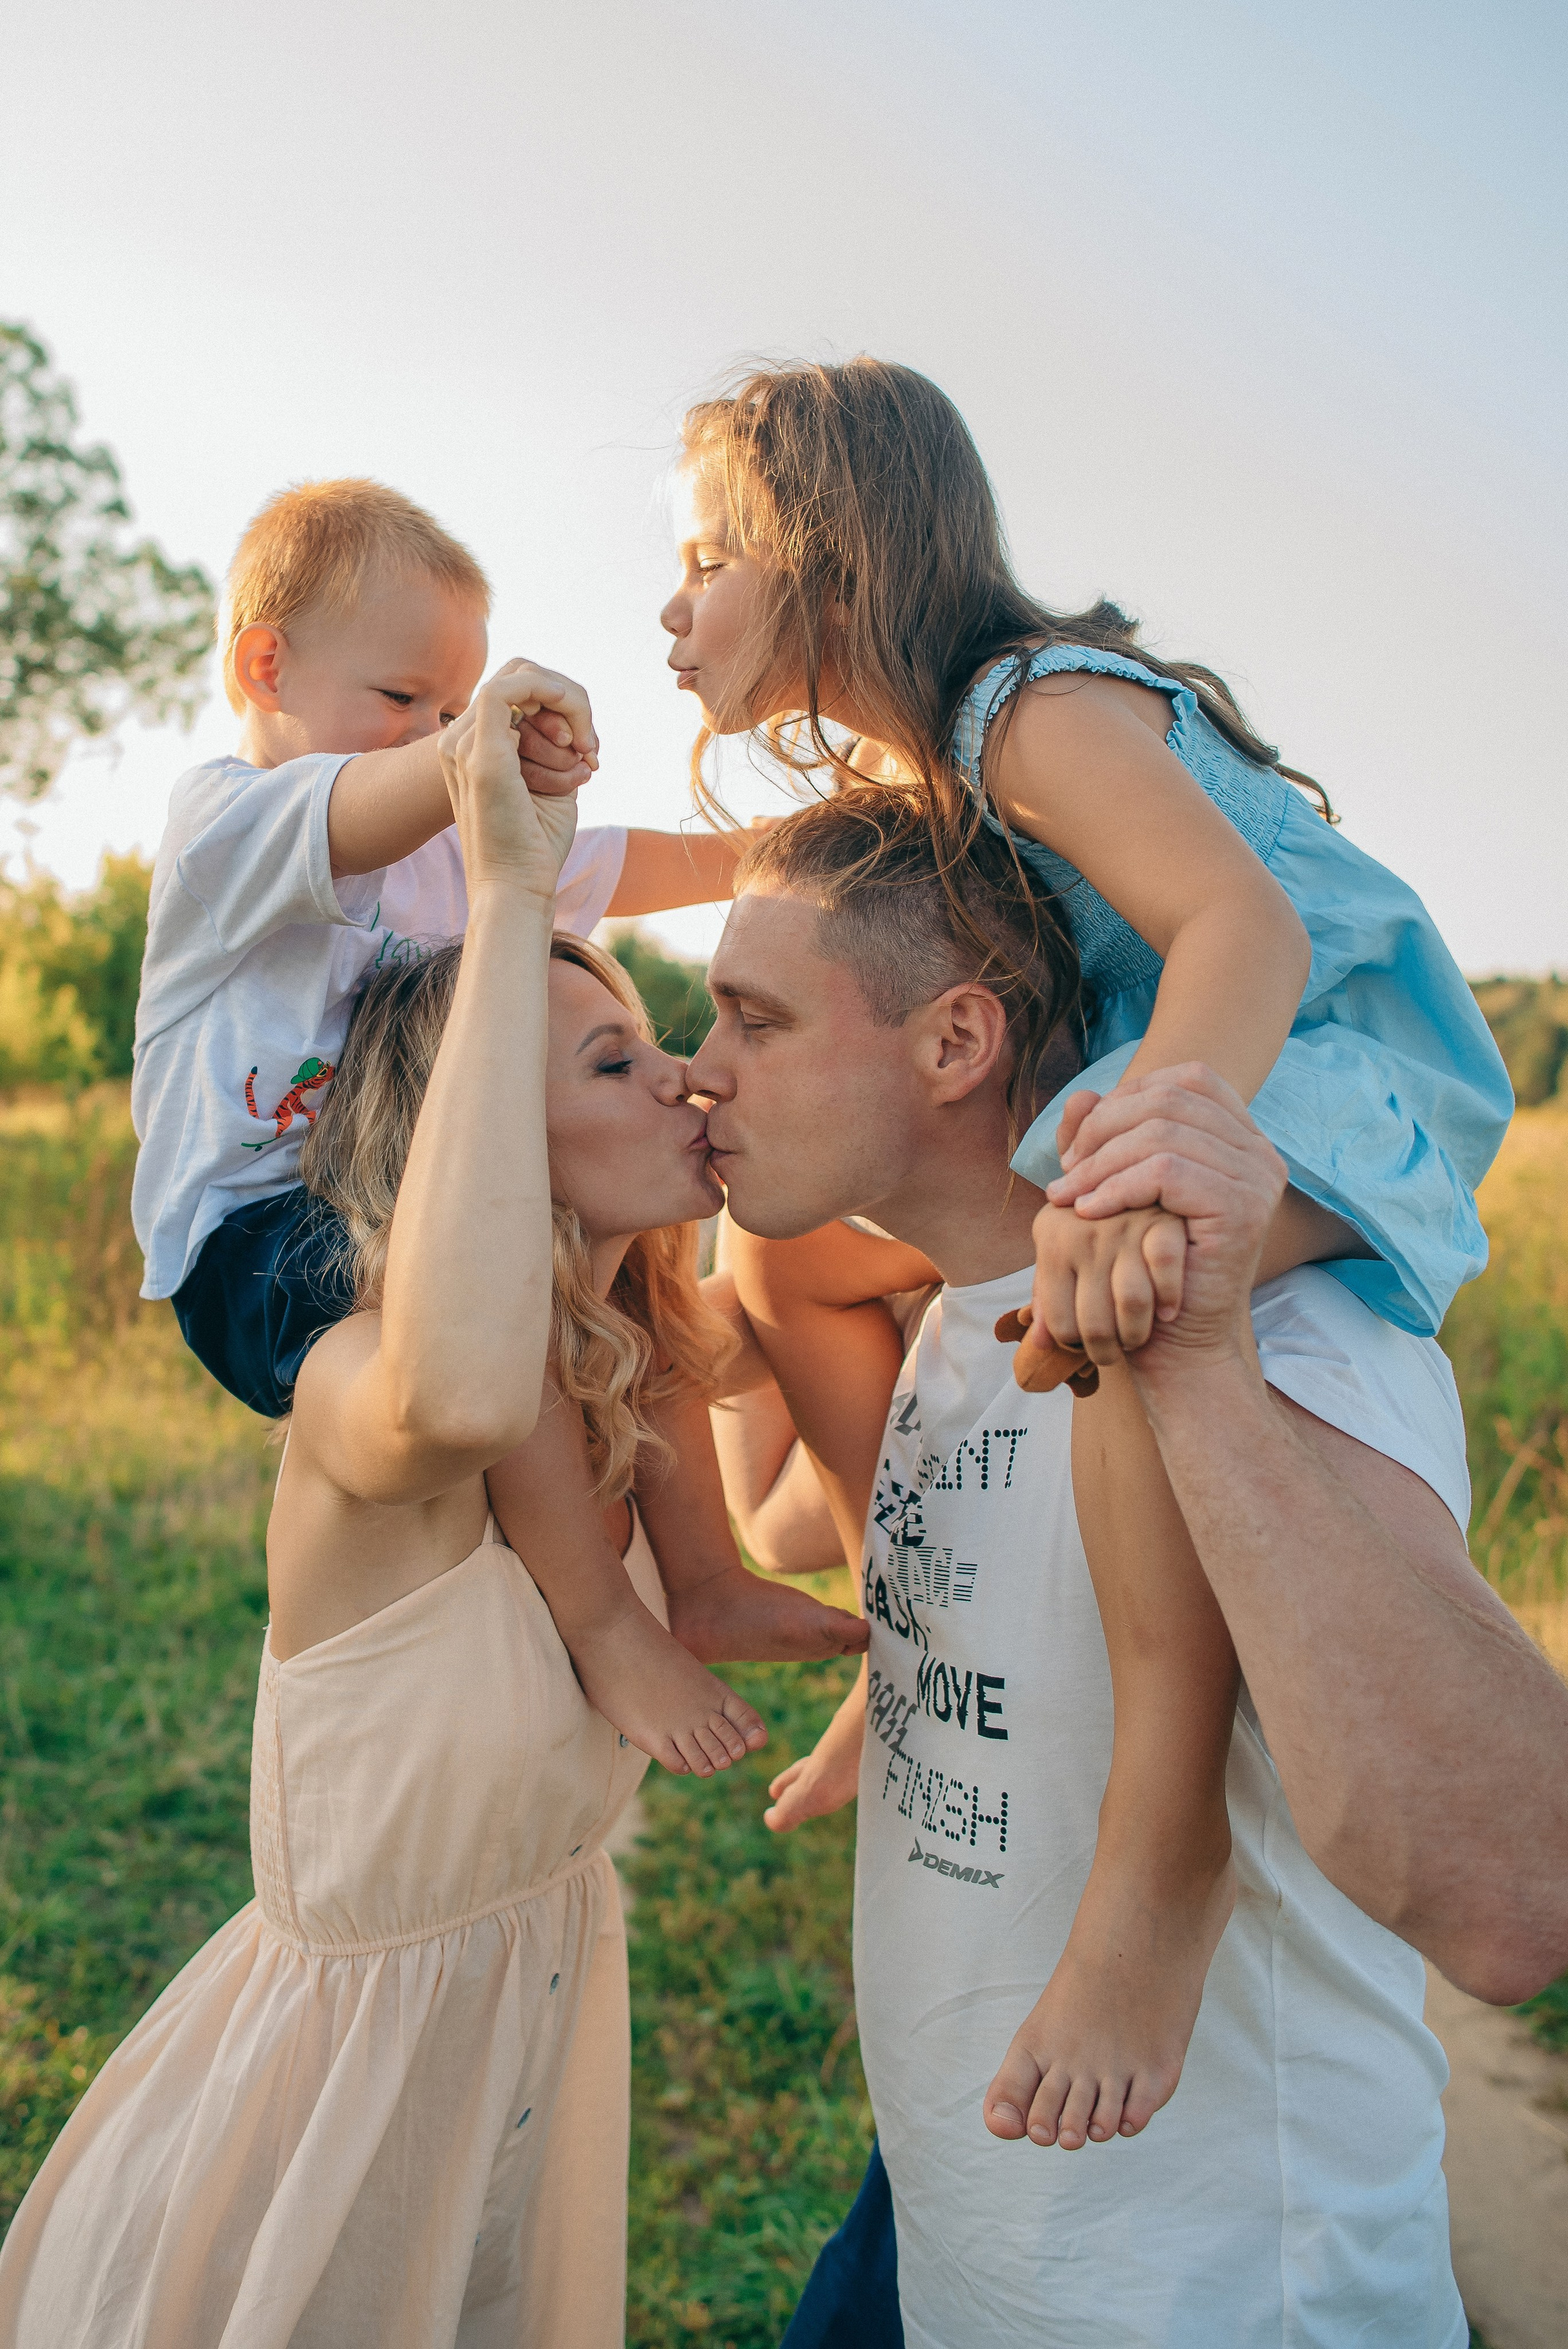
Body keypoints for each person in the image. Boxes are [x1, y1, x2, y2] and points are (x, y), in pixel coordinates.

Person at [663, 357, 1515, 2144]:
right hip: (1212, 1065)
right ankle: (907, 1642)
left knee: (1114, 1283)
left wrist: (1137, 1178)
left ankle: (1160, 1864)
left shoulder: (1023, 710)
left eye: (708, 556)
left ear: (823, 555)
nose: (677, 605)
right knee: (791, 1267)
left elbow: (1245, 926)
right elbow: (749, 874)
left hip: (1333, 1070)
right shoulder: (932, 761)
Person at [687, 788, 1568, 2348]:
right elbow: (790, 1308)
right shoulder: (948, 1311)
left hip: (1214, 2303)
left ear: (953, 1045)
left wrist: (1200, 1360)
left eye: (752, 1020)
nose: (702, 1070)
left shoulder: (1281, 1340)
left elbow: (1518, 1898)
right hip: (971, 2257)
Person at [0, 686, 734, 2346]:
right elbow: (458, 1395)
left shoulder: (626, 1390)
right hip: (329, 2149)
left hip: (524, 2074)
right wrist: (515, 892)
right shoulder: (357, 1399)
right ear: (482, 1125)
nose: (678, 1075)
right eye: (616, 1058)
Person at [131, 476, 862, 1775]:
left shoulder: (441, 845)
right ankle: (601, 1620)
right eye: (406, 701)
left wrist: (774, 844)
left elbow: (620, 866)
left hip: (381, 1190)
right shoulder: (232, 825)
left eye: (454, 708)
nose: (438, 734)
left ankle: (701, 1575)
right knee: (498, 1269)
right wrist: (472, 762)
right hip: (249, 1237)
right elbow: (370, 806)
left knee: (631, 1260)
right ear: (265, 667)